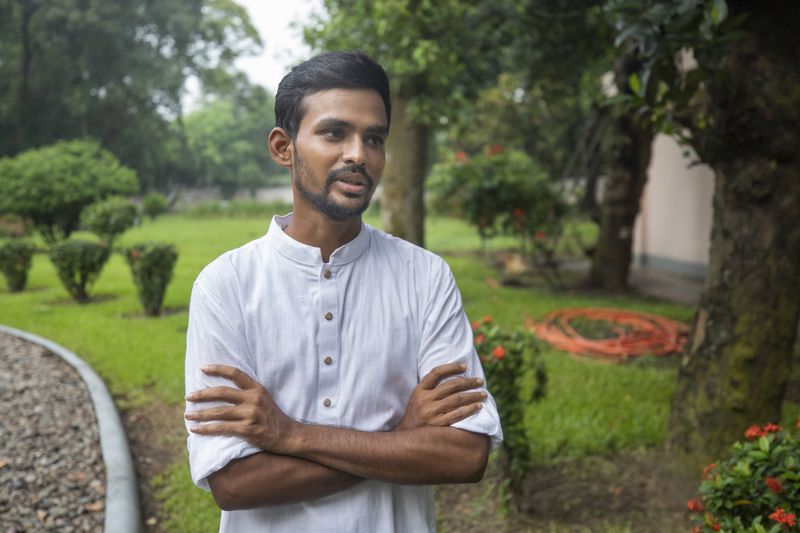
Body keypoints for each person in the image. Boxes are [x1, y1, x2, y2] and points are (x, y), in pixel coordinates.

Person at [184, 50, 502, 533]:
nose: (358, 153)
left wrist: (289, 435)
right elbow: (234, 482)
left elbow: (464, 455)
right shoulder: (226, 287)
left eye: (373, 138)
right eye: (335, 133)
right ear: (282, 147)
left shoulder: (425, 277)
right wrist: (403, 438)